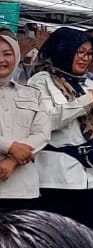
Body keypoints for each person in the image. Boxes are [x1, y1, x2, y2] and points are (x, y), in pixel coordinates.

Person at [29, 27, 93, 229]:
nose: (85, 58)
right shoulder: (40, 82)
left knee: (87, 239)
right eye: (79, 52)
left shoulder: (92, 87)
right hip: (58, 178)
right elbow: (47, 122)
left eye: (89, 53)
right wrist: (89, 101)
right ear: (64, 49)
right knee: (57, 241)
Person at [0, 29, 49, 211]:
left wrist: (12, 160)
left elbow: (42, 134)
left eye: (7, 54)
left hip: (23, 188)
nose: (2, 60)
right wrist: (10, 146)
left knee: (18, 239)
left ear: (17, 56)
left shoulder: (33, 94)